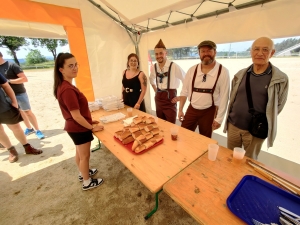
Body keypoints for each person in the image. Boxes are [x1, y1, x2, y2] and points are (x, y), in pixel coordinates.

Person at [223, 37, 289, 159]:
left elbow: (278, 106)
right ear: (251, 52)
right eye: (256, 49)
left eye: (265, 50)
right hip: (233, 125)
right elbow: (233, 97)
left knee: (250, 161)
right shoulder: (240, 74)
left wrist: (262, 120)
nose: (259, 53)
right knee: (230, 157)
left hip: (255, 130)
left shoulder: (280, 79)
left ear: (272, 53)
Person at [54, 52, 104, 191]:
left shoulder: (65, 85)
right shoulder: (67, 89)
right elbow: (76, 116)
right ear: (61, 69)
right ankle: (87, 182)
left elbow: (78, 113)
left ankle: (83, 173)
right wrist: (91, 127)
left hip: (75, 127)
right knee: (85, 156)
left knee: (79, 154)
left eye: (76, 64)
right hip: (78, 127)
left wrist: (89, 120)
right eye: (70, 66)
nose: (75, 68)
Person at [178, 40, 230, 138]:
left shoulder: (222, 72)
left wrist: (219, 119)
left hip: (209, 111)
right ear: (199, 53)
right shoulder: (192, 70)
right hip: (192, 109)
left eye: (209, 50)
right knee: (183, 134)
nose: (206, 54)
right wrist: (180, 109)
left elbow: (224, 97)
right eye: (203, 51)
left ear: (215, 52)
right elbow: (184, 91)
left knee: (205, 139)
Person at [0, 52, 45, 139]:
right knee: (20, 112)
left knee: (27, 112)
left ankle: (37, 130)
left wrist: (8, 81)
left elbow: (24, 79)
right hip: (6, 96)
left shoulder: (12, 65)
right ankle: (29, 128)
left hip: (19, 93)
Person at [0, 72, 42, 163]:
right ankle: (11, 150)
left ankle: (27, 147)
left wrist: (14, 102)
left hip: (4, 107)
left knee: (16, 128)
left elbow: (6, 86)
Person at [149, 39, 185, 123]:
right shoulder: (155, 67)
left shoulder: (173, 66)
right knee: (161, 124)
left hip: (170, 100)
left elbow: (186, 80)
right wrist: (156, 90)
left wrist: (180, 97)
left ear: (166, 53)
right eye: (156, 54)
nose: (158, 56)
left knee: (171, 125)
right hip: (158, 100)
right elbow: (151, 79)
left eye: (161, 53)